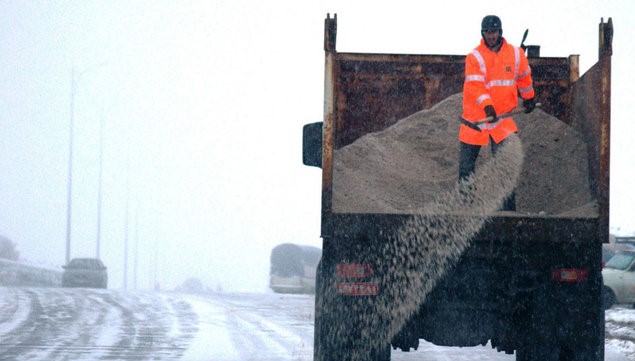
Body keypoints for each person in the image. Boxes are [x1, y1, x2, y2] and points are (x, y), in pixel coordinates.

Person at [459, 15, 536, 211]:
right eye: (487, 32)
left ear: (500, 32)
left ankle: (508, 211)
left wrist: (529, 97)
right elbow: (475, 86)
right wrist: (487, 106)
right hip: (475, 119)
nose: (491, 36)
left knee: (505, 166)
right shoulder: (474, 57)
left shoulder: (516, 54)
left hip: (502, 119)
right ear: (482, 33)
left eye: (494, 32)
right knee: (466, 168)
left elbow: (524, 77)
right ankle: (465, 208)